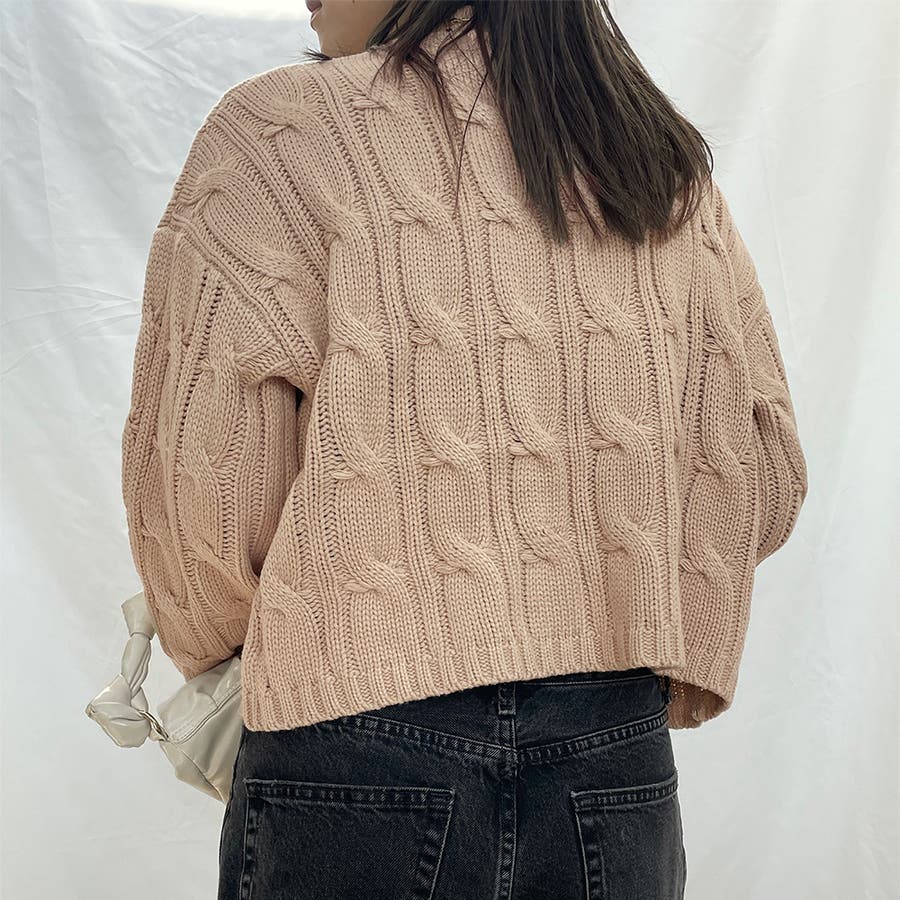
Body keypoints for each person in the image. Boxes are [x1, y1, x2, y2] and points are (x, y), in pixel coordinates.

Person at [119, 1, 809, 896]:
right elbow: (760, 475)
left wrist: (285, 647)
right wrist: (619, 590)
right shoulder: (656, 162)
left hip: (352, 744)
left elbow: (192, 488)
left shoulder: (280, 135)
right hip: (612, 757)